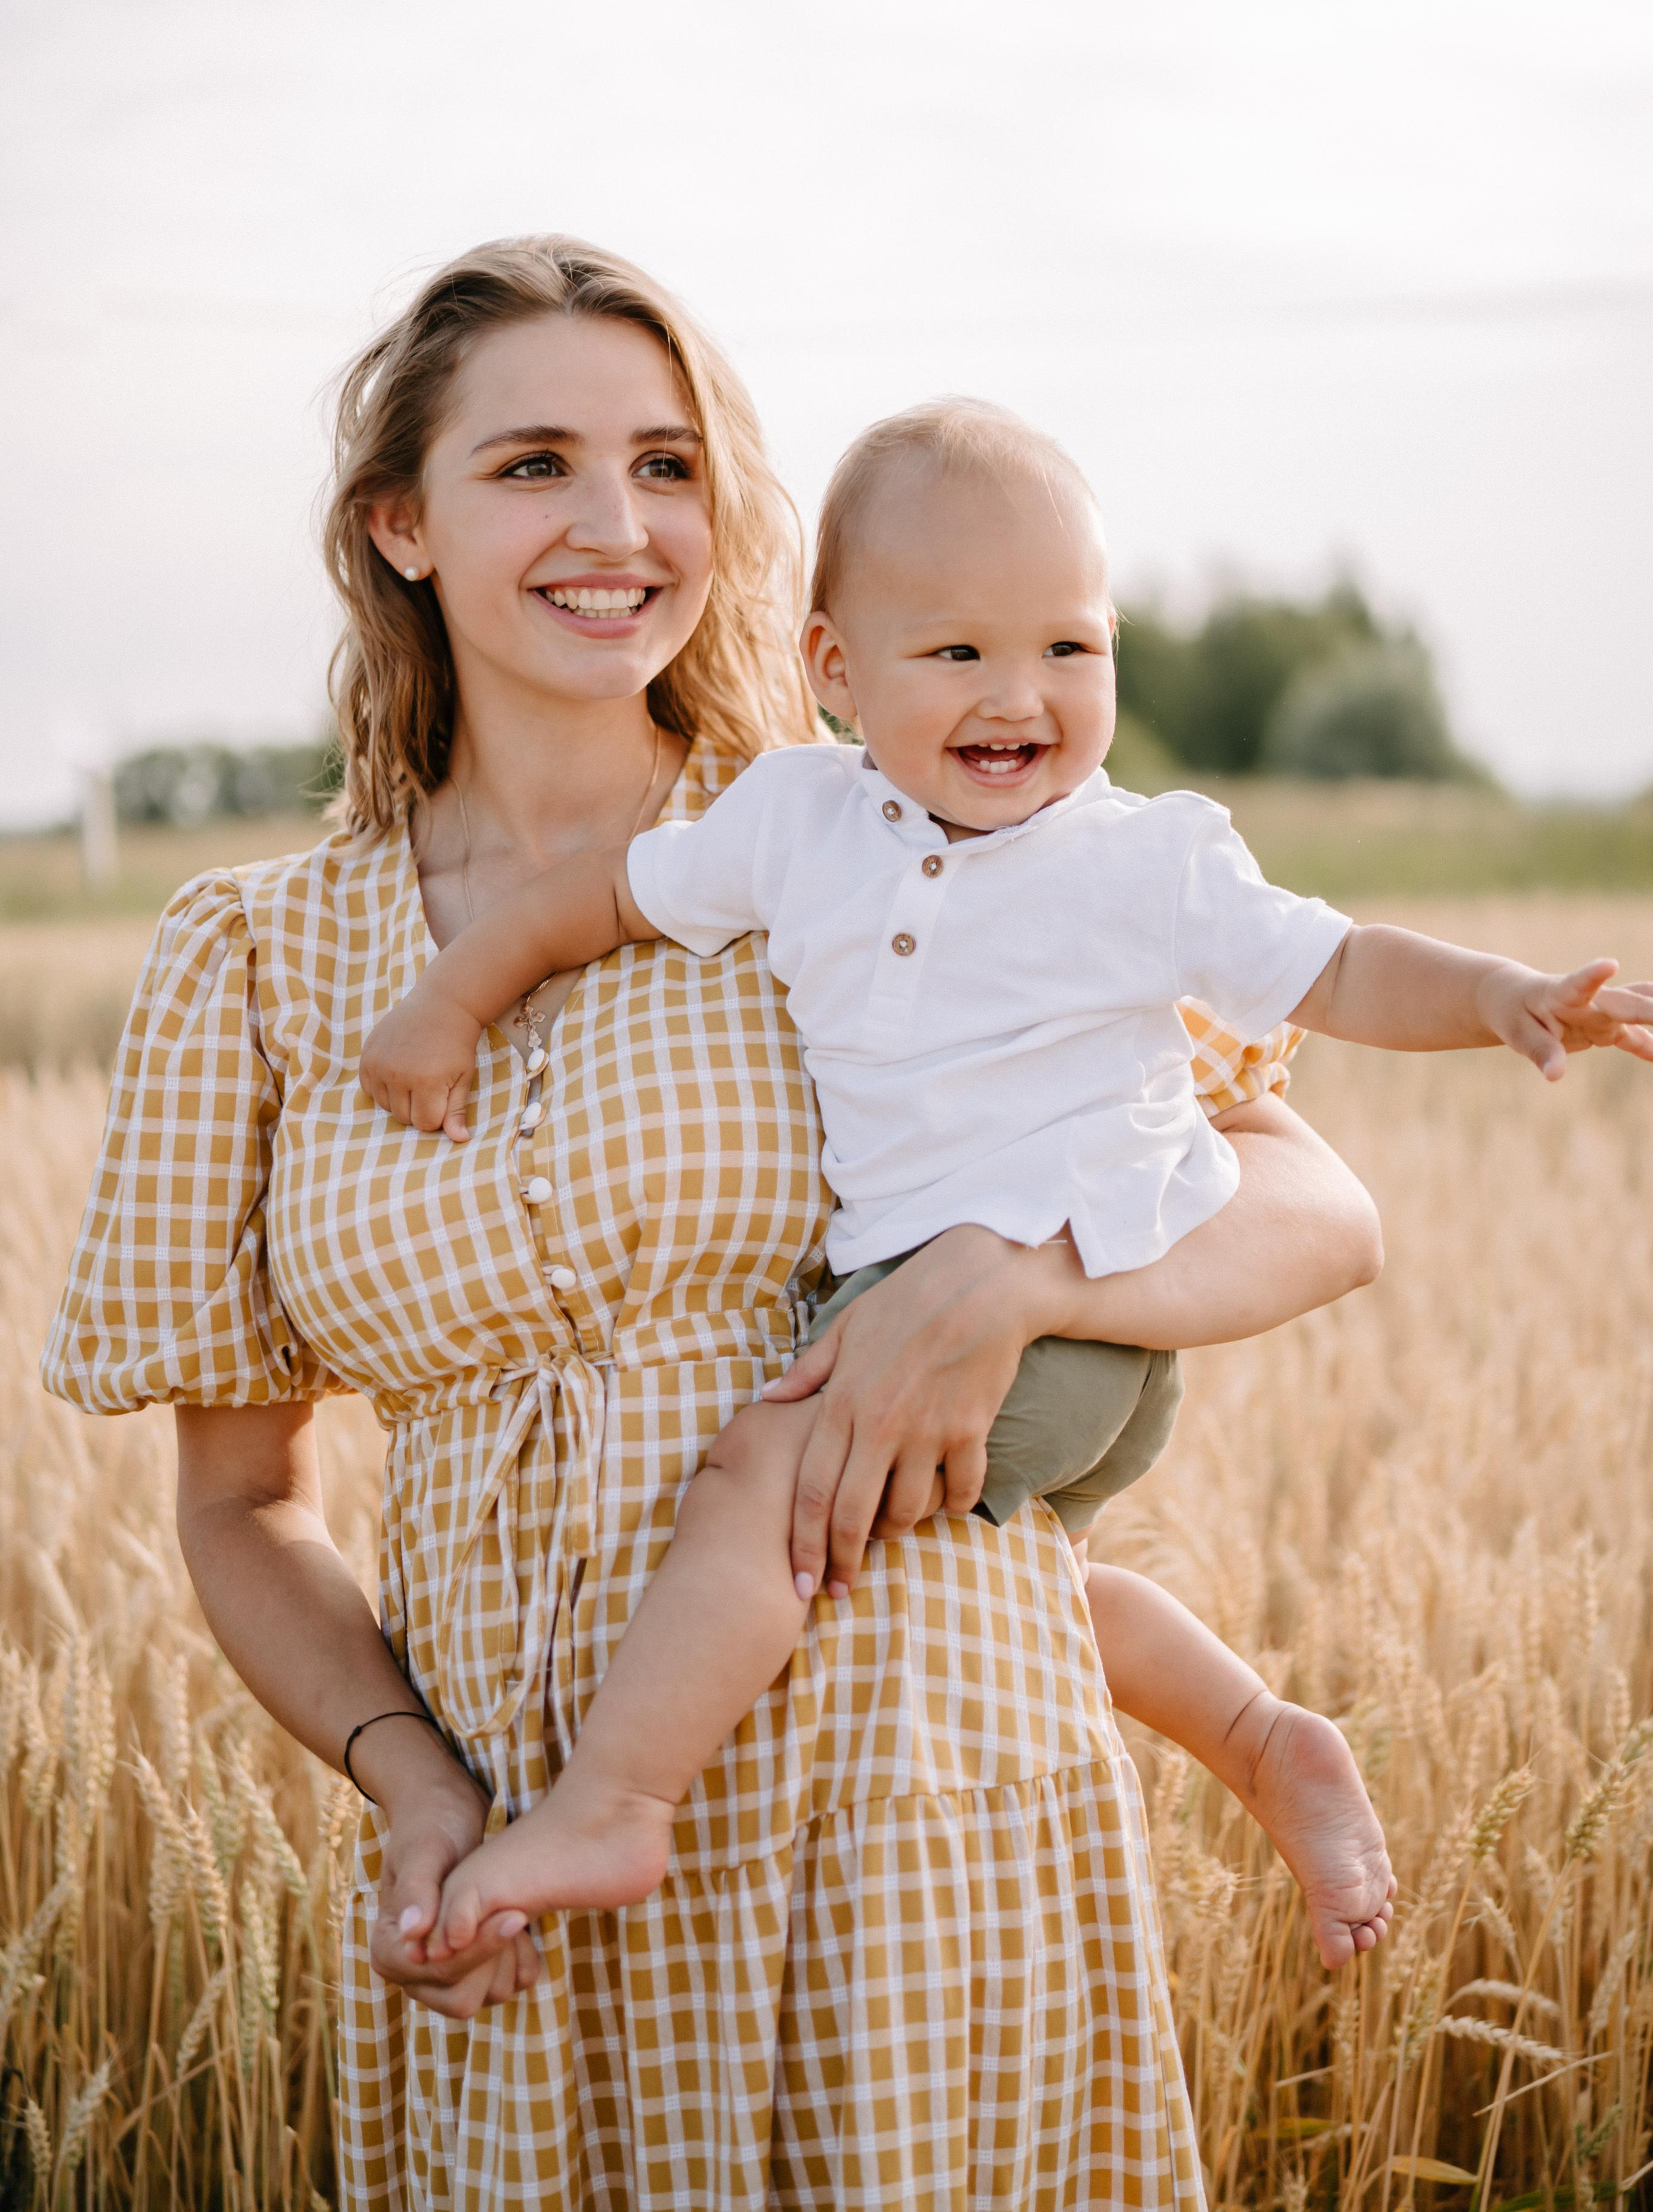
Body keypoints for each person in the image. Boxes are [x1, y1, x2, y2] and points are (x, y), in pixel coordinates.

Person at [46, 239, 1397, 2211]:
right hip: (526, 1844)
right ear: (399, 524)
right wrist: (417, 1788)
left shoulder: (878, 836)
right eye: (534, 468)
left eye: (668, 464)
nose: (616, 526)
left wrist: (1007, 1279)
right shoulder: (252, 955)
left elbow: (1310, 1194)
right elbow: (238, 1500)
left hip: (921, 1797)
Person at [363, 392, 1653, 1980]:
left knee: (762, 1489)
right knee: (1029, 1577)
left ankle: (618, 1797)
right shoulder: (795, 825)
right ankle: (1257, 1735)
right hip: (979, 1327)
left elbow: (1334, 967)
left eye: (1069, 649)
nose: (1019, 698)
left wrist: (1499, 994)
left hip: (1077, 1302)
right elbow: (593, 903)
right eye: (958, 653)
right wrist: (448, 1001)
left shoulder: (1143, 856)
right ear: (832, 670)